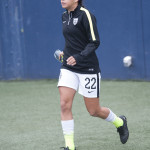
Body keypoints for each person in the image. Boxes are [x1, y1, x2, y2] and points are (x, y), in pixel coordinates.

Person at [57, 0, 129, 149]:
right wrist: (67, 53)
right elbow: (72, 40)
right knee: (64, 104)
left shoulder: (86, 15)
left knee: (94, 111)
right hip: (68, 67)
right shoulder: (64, 16)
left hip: (87, 68)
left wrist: (79, 56)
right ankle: (69, 146)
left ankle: (119, 122)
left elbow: (94, 42)